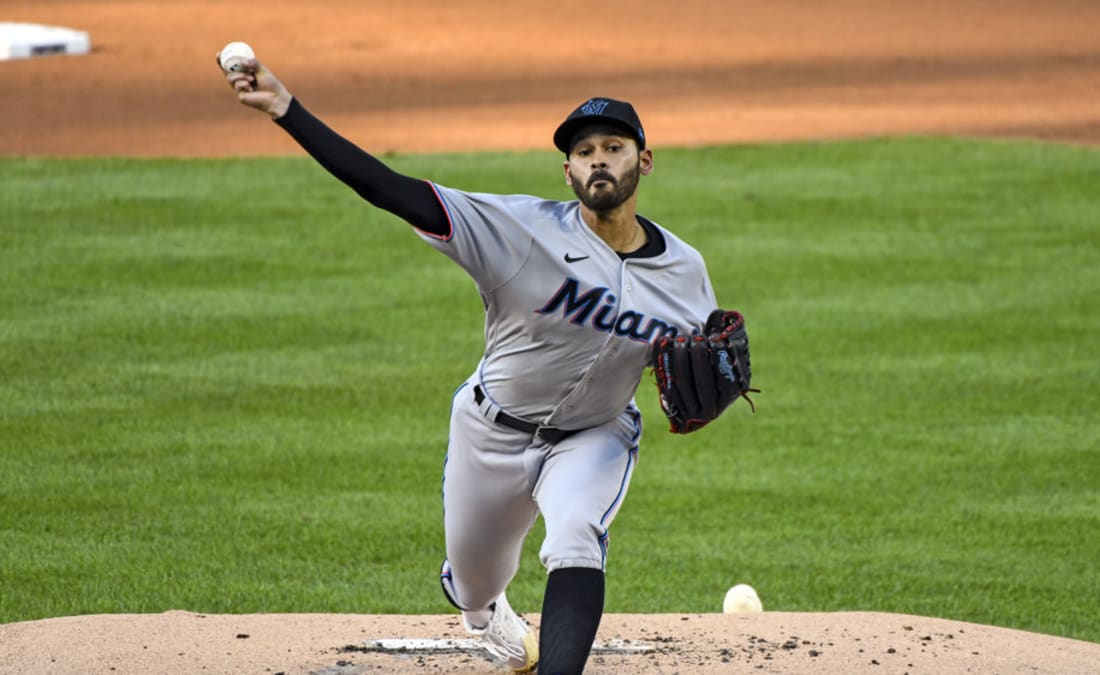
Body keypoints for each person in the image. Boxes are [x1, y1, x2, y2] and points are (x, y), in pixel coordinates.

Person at [218, 54, 722, 675]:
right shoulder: (517, 229)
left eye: (613, 147)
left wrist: (709, 392)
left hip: (597, 434)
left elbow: (702, 361)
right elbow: (389, 189)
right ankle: (485, 616)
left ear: (642, 161)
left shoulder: (685, 271)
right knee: (474, 583)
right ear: (567, 170)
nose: (598, 160)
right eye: (584, 151)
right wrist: (287, 112)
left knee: (575, 537)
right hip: (491, 431)